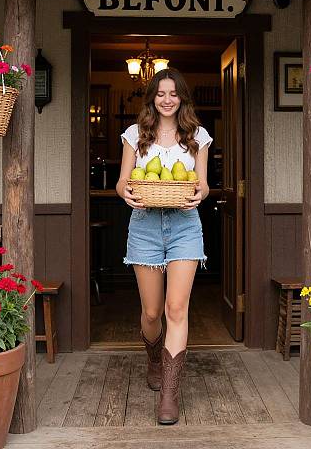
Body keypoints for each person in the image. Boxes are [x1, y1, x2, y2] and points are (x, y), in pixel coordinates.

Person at [116, 68, 212, 425]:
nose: (167, 99)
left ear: (182, 98)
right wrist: (126, 194)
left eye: (174, 93)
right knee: (153, 312)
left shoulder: (197, 136)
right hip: (144, 226)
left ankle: (169, 396)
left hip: (186, 226)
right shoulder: (135, 135)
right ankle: (153, 358)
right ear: (152, 98)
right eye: (161, 93)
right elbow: (123, 182)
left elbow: (202, 185)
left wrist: (200, 195)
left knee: (176, 309)